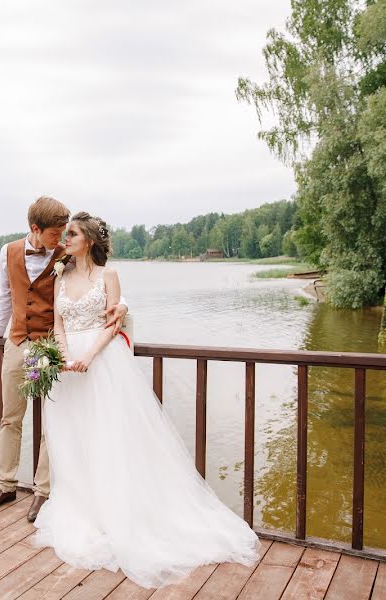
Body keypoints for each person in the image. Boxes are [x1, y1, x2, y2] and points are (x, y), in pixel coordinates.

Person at [32, 211, 260, 589]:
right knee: (74, 439)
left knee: (109, 437)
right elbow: (58, 324)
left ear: (88, 239)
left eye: (71, 234)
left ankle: (120, 512)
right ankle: (86, 509)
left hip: (102, 364)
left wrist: (89, 356)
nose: (64, 239)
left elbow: (114, 322)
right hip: (68, 366)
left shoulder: (109, 276)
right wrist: (61, 355)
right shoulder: (61, 274)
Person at [0, 197, 128, 523]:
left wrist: (124, 305)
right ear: (35, 229)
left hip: (50, 346)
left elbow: (97, 282)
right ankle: (5, 484)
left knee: (52, 422)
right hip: (16, 341)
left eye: (65, 232)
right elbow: (5, 294)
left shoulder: (65, 256)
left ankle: (42, 492)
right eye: (55, 233)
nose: (61, 239)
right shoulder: (8, 252)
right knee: (9, 417)